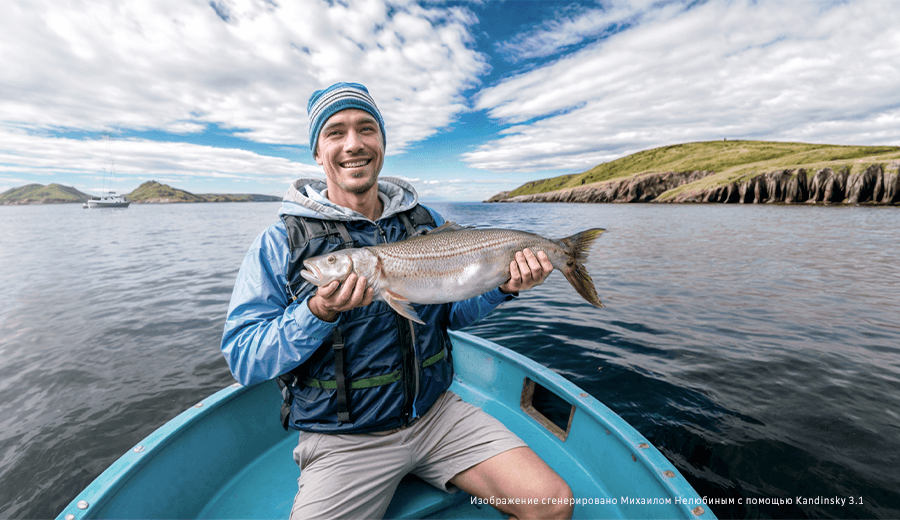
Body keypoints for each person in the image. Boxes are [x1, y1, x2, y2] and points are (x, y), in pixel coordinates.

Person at [221, 82, 573, 520]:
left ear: (382, 142)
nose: (353, 144)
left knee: (553, 504)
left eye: (366, 128)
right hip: (345, 438)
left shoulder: (430, 225)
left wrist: (503, 287)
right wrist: (315, 313)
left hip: (436, 415)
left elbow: (453, 313)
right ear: (317, 153)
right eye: (335, 132)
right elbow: (242, 359)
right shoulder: (279, 245)